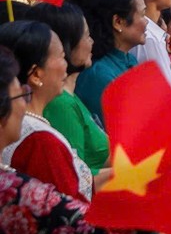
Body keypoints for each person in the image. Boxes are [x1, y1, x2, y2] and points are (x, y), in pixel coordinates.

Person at [0, 21, 103, 201]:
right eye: (62, 56)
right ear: (36, 74)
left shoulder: (30, 128)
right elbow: (71, 217)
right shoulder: (40, 143)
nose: (66, 65)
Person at [26, 3, 109, 175]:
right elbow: (77, 178)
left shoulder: (70, 97)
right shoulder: (61, 104)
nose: (91, 41)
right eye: (86, 36)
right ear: (66, 44)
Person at [73, 0, 147, 124]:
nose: (146, 22)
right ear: (118, 22)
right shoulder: (99, 75)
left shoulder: (130, 59)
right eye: (143, 14)